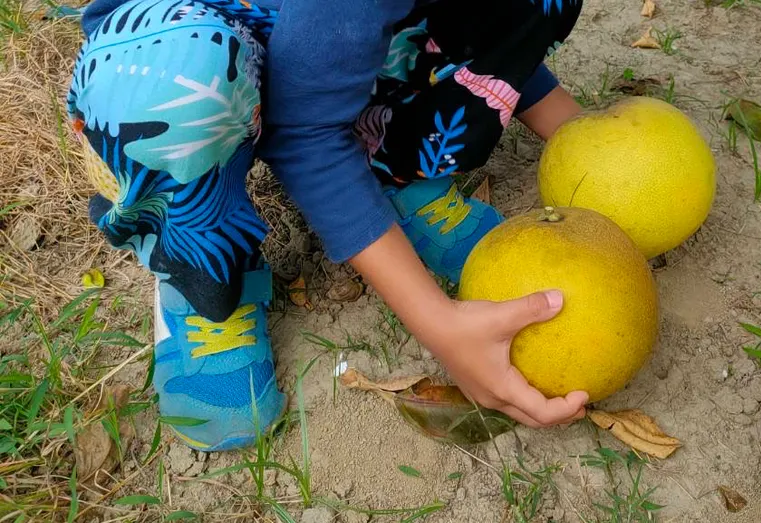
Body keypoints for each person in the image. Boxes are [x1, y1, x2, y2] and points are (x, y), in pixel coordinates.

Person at [68, 0, 590, 451]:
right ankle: (197, 257)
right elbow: (304, 134)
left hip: (331, 29)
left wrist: (586, 144)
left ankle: (391, 168)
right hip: (186, 37)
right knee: (173, 78)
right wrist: (441, 326)